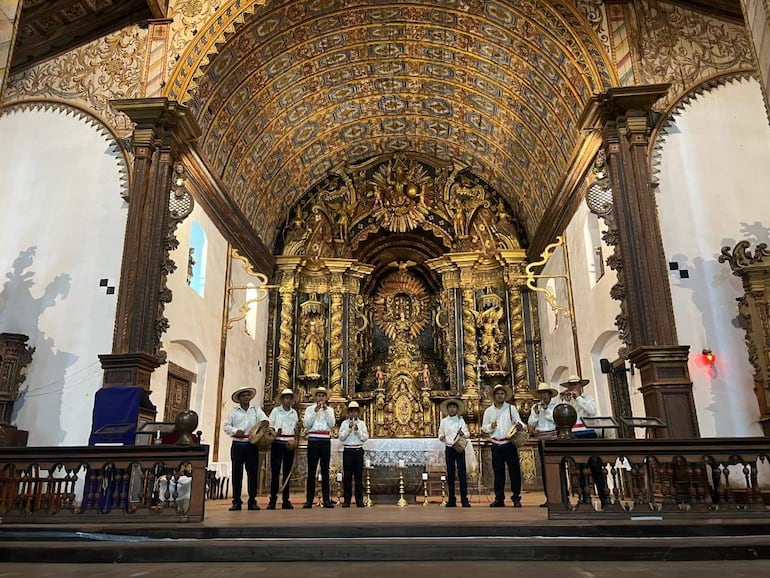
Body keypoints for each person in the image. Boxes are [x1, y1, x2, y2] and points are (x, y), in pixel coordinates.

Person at [560, 374, 608, 507]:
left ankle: (604, 498)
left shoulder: (588, 398)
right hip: (574, 434)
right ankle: (584, 498)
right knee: (578, 468)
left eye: (575, 385)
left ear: (581, 386)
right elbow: (562, 415)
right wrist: (565, 401)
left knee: (595, 467)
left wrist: (579, 399)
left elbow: (592, 412)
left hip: (589, 434)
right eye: (571, 385)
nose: (573, 387)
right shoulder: (567, 401)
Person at [222, 386, 268, 511]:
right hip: (237, 444)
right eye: (243, 395)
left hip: (252, 444)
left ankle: (252, 501)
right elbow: (226, 426)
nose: (246, 397)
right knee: (237, 473)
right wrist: (235, 431)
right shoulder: (233, 412)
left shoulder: (256, 410)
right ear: (239, 398)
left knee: (252, 473)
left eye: (248, 395)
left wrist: (263, 424)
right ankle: (236, 501)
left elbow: (265, 420)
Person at [481, 384, 526, 508]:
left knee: (514, 472)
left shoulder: (511, 408)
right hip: (496, 444)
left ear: (505, 395)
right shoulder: (489, 411)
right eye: (497, 394)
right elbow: (483, 428)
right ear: (494, 396)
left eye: (502, 394)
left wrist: (519, 425)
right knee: (498, 473)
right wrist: (491, 426)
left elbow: (520, 422)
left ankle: (516, 497)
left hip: (509, 443)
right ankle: (499, 498)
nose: (500, 396)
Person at [302, 386, 337, 508]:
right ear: (315, 397)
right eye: (319, 395)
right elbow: (306, 424)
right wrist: (315, 411)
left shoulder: (330, 410)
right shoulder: (309, 409)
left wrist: (326, 411)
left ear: (326, 398)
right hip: (313, 439)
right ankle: (309, 500)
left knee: (325, 470)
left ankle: (326, 499)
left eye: (323, 395)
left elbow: (332, 424)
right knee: (311, 470)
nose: (321, 398)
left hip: (325, 440)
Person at [528, 382, 560, 508]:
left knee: (557, 467)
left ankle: (561, 496)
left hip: (553, 437)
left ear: (550, 394)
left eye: (545, 393)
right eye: (541, 393)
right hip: (542, 438)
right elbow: (531, 423)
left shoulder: (556, 406)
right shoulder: (536, 407)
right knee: (545, 469)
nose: (543, 396)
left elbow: (556, 419)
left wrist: (546, 410)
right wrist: (536, 413)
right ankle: (549, 498)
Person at [267, 388, 299, 510]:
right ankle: (273, 500)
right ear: (282, 399)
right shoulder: (275, 411)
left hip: (289, 443)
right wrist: (275, 431)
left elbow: (296, 428)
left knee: (287, 472)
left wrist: (295, 438)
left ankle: (286, 500)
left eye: (290, 398)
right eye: (286, 397)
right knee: (275, 472)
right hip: (278, 443)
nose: (288, 400)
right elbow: (270, 426)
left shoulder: (294, 413)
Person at [437, 398, 471, 508]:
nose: (452, 409)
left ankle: (464, 499)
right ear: (447, 409)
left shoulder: (461, 420)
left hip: (459, 448)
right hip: (449, 448)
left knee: (462, 473)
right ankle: (451, 499)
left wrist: (462, 433)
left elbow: (467, 434)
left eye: (454, 407)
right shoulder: (444, 421)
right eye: (450, 407)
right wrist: (441, 437)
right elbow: (440, 433)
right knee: (450, 474)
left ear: (457, 409)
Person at [338, 401, 369, 507]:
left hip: (358, 450)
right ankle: (347, 500)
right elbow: (341, 438)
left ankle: (359, 500)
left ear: (358, 413)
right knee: (347, 477)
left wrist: (357, 431)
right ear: (348, 413)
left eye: (355, 411)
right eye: (351, 411)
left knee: (358, 477)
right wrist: (348, 429)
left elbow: (365, 438)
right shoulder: (344, 424)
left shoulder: (362, 424)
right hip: (348, 450)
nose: (353, 414)